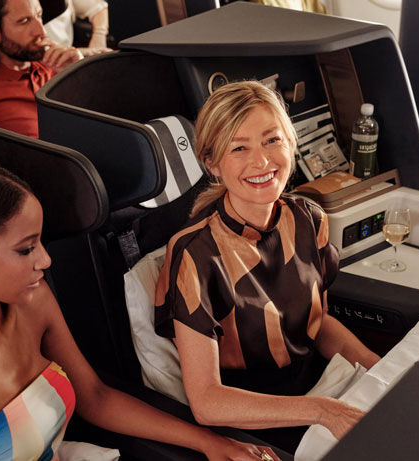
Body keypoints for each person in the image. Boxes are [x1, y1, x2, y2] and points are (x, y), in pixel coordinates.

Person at [0, 158, 279, 461]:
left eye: (40, 243)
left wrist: (210, 443)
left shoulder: (34, 304)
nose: (45, 260)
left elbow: (95, 397)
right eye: (26, 249)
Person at [154, 81, 380, 452]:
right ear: (212, 163)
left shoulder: (309, 218)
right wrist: (322, 411)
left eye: (272, 140)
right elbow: (207, 401)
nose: (261, 161)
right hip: (256, 429)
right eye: (239, 147)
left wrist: (380, 369)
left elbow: (319, 324)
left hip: (322, 394)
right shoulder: (196, 254)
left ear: (291, 144)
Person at [0, 0, 111, 138]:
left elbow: (105, 123)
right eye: (24, 21)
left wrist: (77, 74)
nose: (41, 32)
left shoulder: (56, 68)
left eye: (39, 16)